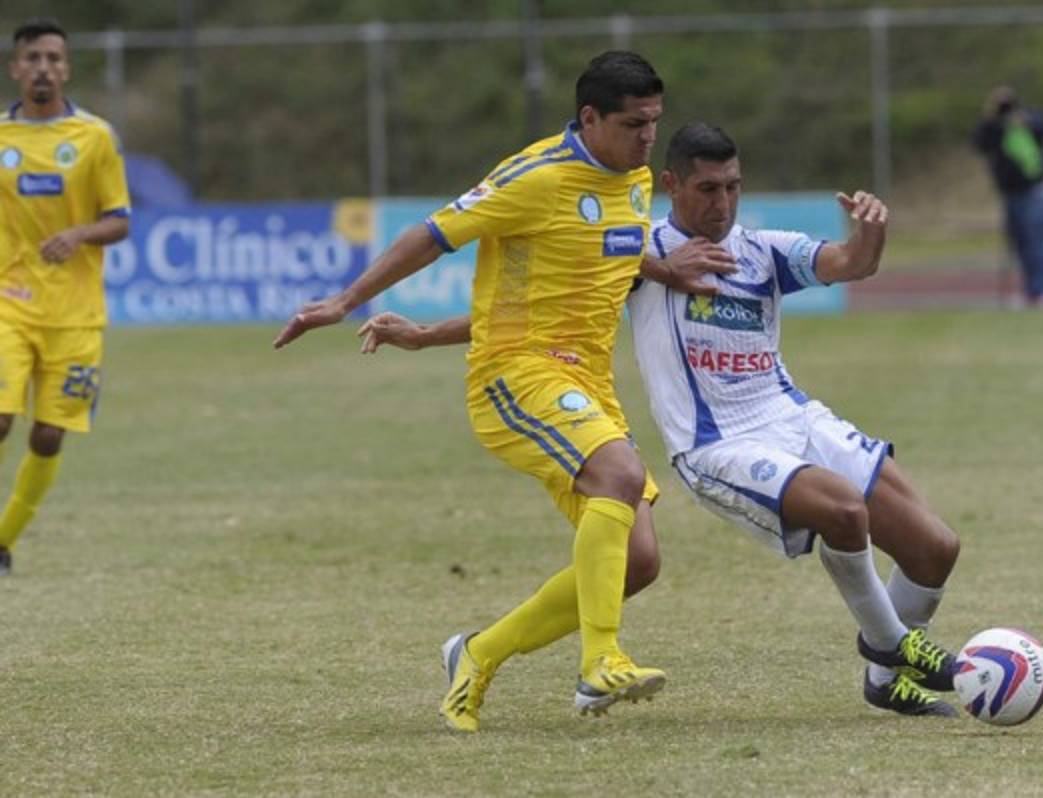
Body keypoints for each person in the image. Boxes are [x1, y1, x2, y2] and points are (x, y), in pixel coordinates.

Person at [358, 122, 965, 717]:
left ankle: (886, 679)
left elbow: (852, 263)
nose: (722, 203)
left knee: (935, 547)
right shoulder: (638, 252)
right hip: (716, 442)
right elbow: (541, 315)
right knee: (844, 511)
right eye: (707, 189)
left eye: (732, 187)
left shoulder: (764, 250)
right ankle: (890, 643)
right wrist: (423, 334)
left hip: (794, 416)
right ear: (672, 184)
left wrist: (872, 235)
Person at [273, 51, 735, 733]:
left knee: (636, 562)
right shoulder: (535, 176)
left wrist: (665, 271)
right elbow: (432, 236)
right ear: (589, 118)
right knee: (619, 473)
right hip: (515, 375)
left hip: (585, 383)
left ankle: (477, 653)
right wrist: (346, 299)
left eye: (654, 123)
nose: (647, 137)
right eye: (635, 123)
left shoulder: (634, 178)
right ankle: (600, 661)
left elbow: (606, 254)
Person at [0, 19, 131, 575]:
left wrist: (78, 234)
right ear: (16, 68)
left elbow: (120, 220)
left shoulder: (94, 138)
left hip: (76, 314)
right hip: (9, 303)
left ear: (67, 68)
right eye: (33, 58)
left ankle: (4, 539)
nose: (44, 68)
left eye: (54, 58)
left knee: (49, 434)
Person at [973, 86, 1043, 309]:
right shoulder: (996, 127)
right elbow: (979, 143)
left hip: (1033, 191)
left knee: (1037, 242)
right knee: (1020, 243)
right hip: (1010, 193)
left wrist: (1024, 119)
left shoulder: (1030, 120)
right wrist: (990, 116)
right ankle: (1031, 290)